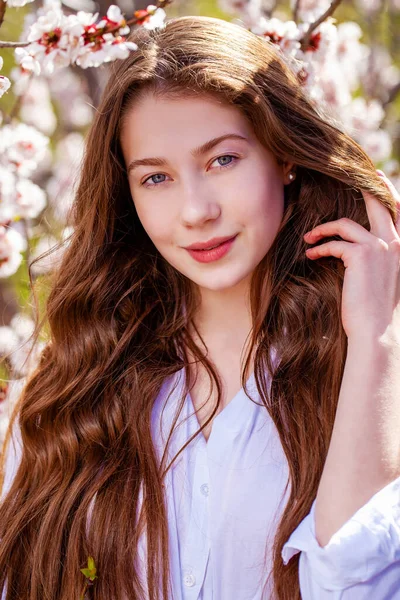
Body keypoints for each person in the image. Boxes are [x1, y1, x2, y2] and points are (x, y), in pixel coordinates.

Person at [1, 14, 400, 600]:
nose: (195, 211)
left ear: (284, 155)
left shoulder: (372, 371)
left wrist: (377, 340)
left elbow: (357, 586)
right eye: (156, 178)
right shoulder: (74, 386)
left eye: (223, 160)